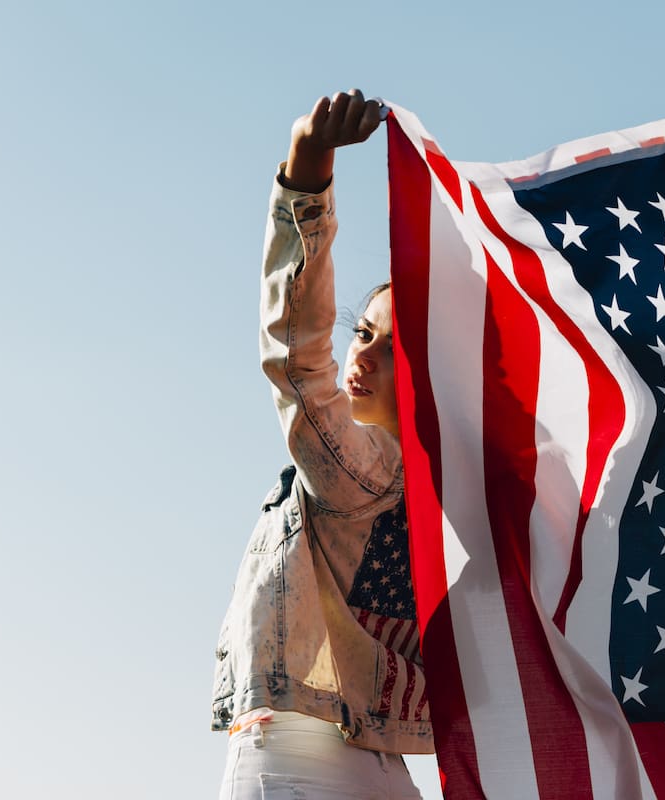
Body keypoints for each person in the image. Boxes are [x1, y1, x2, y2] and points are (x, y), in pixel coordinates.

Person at [211, 90, 430, 799]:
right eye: (363, 334)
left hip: (301, 754)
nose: (362, 359)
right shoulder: (444, 498)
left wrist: (307, 180)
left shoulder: (361, 470)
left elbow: (300, 362)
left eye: (395, 351)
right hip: (371, 761)